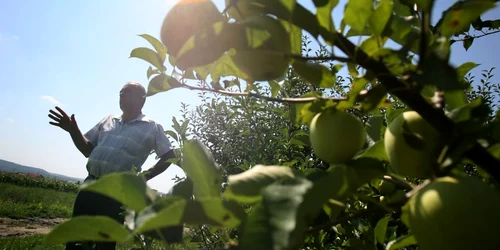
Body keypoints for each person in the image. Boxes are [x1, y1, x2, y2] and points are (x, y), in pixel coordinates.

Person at [48, 82, 175, 250]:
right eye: (120, 92)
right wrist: (73, 130)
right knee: (76, 239)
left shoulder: (152, 127)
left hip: (116, 193)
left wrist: (143, 178)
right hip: (90, 185)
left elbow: (169, 156)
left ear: (141, 98)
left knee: (104, 243)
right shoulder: (109, 119)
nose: (121, 94)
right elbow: (88, 150)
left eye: (127, 92)